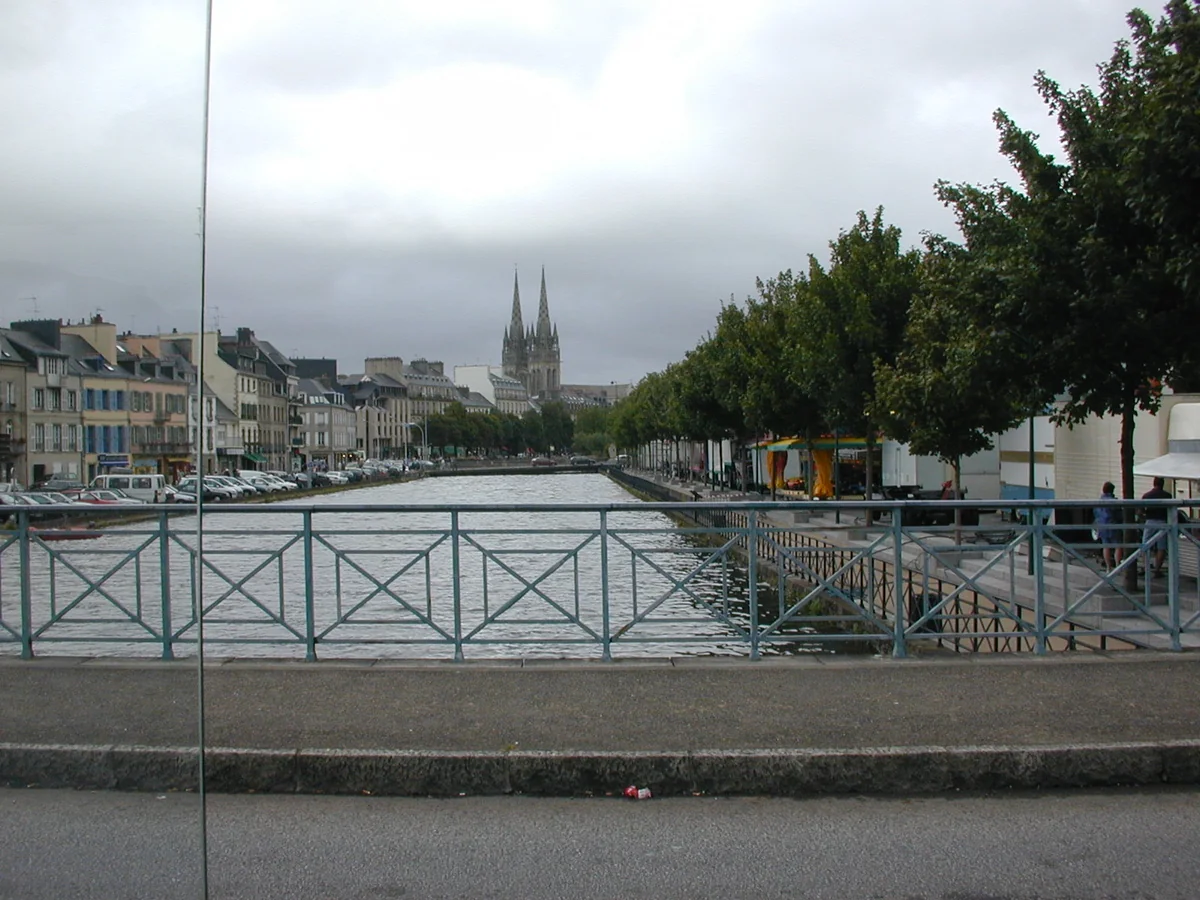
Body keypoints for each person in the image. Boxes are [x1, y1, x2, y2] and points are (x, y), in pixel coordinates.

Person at [1141, 476, 1171, 577]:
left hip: (1150, 521)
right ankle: (1157, 569)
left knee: (1145, 544)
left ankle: (1146, 567)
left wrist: (1144, 515)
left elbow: (1141, 510)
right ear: (1162, 484)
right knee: (1161, 547)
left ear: (1154, 483)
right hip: (1163, 522)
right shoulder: (1167, 496)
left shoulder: (1146, 495)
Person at [1093, 481, 1122, 571]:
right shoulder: (1114, 501)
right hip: (1113, 525)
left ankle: (1108, 567)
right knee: (1118, 546)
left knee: (1106, 547)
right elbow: (1119, 515)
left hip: (1102, 526)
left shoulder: (1098, 502)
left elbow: (1096, 514)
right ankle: (1118, 566)